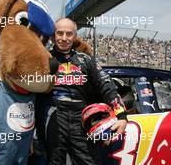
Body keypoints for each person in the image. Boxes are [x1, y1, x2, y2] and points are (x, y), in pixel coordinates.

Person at [38, 18, 128, 165]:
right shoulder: (43, 59)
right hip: (52, 118)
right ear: (53, 35)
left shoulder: (86, 60)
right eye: (60, 33)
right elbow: (30, 94)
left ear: (75, 36)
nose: (64, 38)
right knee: (54, 161)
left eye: (69, 34)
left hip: (82, 120)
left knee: (89, 161)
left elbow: (107, 85)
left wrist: (122, 115)